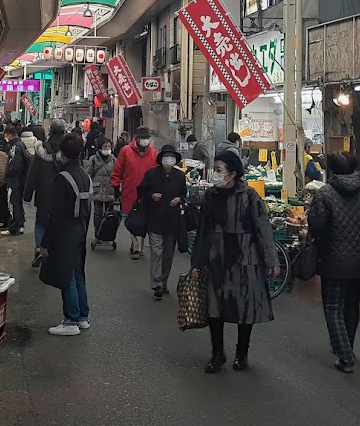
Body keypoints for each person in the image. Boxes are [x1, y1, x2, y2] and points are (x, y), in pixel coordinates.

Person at [191, 150, 279, 374]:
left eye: (219, 171)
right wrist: (196, 263)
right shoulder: (211, 195)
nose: (215, 175)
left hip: (245, 257)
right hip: (216, 257)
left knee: (245, 307)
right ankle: (217, 353)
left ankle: (242, 353)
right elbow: (202, 231)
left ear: (232, 173)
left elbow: (263, 229)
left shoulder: (249, 196)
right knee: (214, 308)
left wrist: (271, 260)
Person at [307, 151, 360, 374]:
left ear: (332, 170)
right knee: (351, 306)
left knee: (333, 307)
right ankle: (348, 346)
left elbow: (316, 226)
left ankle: (345, 356)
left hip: (334, 260)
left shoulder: (325, 194)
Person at [39, 132, 92, 336]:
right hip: (80, 229)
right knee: (78, 273)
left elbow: (56, 215)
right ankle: (82, 316)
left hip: (65, 231)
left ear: (63, 153)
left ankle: (71, 320)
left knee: (66, 275)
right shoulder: (85, 175)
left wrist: (45, 244)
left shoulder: (63, 178)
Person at [138, 144, 187, 299]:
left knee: (168, 253)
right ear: (161, 159)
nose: (169, 159)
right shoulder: (151, 174)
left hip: (172, 220)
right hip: (155, 218)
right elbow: (142, 191)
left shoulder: (179, 176)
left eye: (172, 156)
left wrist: (179, 199)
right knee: (156, 251)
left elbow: (184, 194)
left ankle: (164, 280)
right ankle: (156, 282)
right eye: (166, 156)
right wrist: (152, 196)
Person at [111, 127, 158, 259]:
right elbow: (117, 170)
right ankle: (135, 244)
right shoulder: (125, 151)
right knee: (131, 220)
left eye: (147, 138)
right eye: (143, 138)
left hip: (147, 193)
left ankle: (138, 246)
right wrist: (115, 186)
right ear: (136, 138)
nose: (145, 141)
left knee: (143, 221)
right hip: (129, 191)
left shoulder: (154, 154)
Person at [24, 120, 66, 266]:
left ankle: (39, 249)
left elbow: (33, 173)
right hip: (63, 192)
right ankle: (57, 250)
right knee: (61, 221)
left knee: (41, 222)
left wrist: (27, 194)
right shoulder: (68, 150)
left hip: (43, 192)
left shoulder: (41, 149)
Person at [1, 124, 29, 236]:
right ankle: (20, 225)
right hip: (21, 180)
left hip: (15, 180)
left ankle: (14, 227)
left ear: (9, 135)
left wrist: (8, 174)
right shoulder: (21, 145)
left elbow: (16, 164)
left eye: (6, 135)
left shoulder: (15, 147)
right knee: (18, 203)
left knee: (13, 203)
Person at [86, 136, 117, 233]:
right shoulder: (93, 159)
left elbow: (117, 174)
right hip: (97, 189)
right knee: (97, 213)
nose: (107, 149)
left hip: (110, 189)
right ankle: (97, 232)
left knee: (110, 214)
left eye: (109, 146)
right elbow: (88, 174)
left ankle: (108, 233)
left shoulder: (114, 160)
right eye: (105, 146)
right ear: (99, 147)